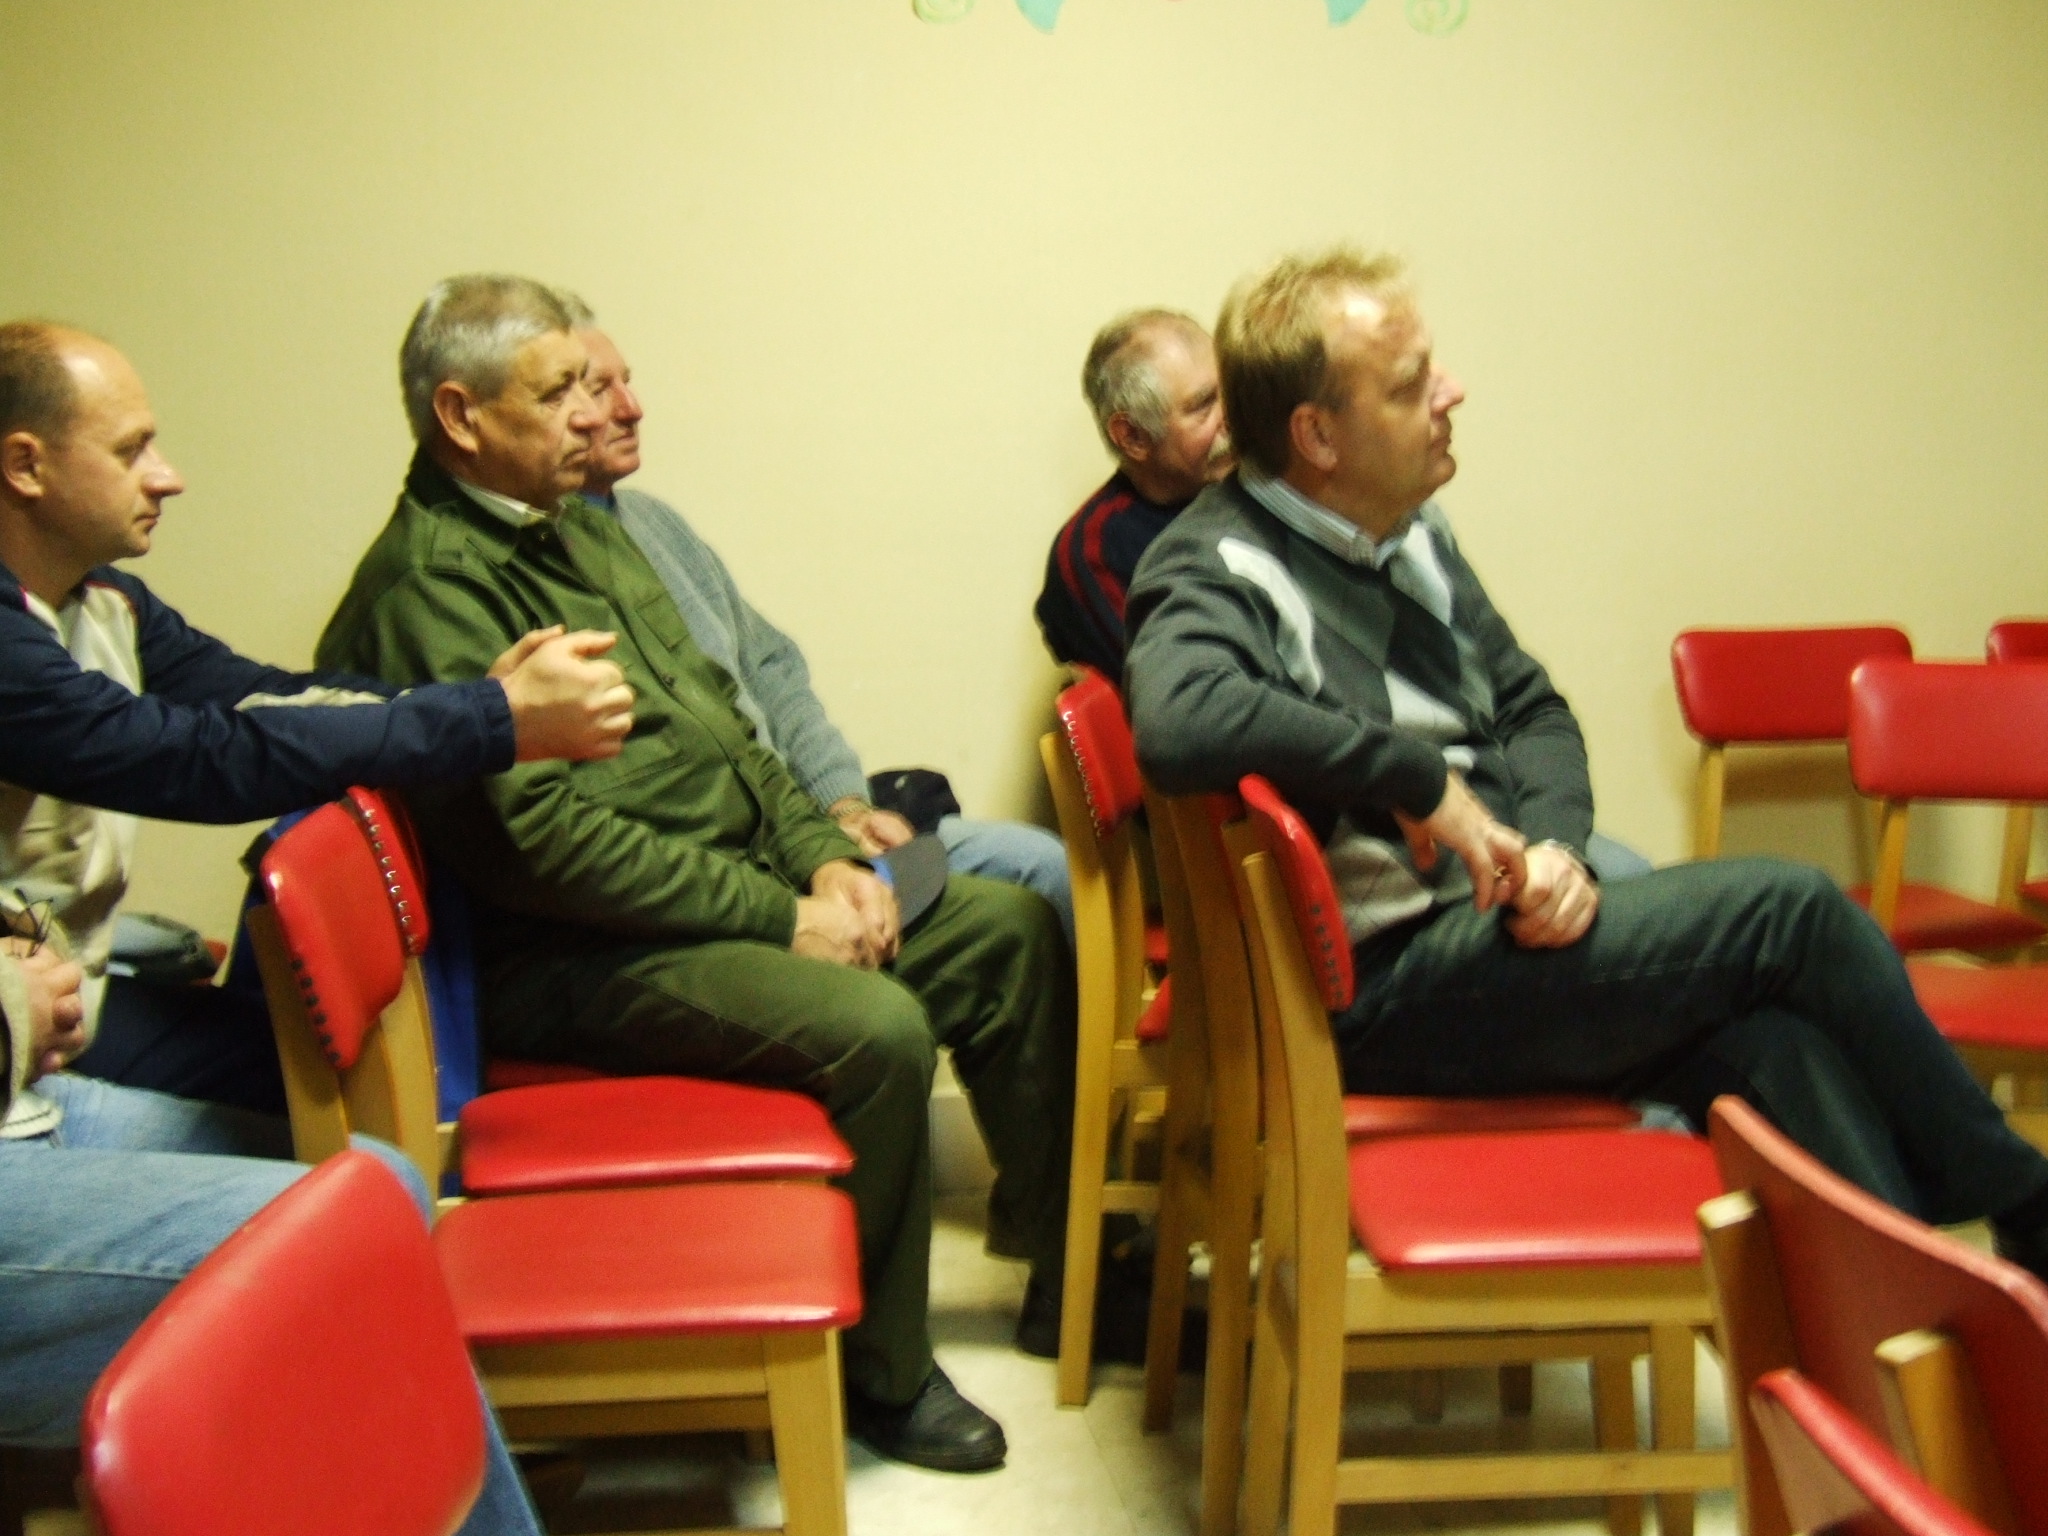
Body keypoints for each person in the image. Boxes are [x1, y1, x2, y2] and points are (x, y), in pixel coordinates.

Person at [1124, 247, 2048, 1274]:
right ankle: (2024, 1204)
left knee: (1773, 1043)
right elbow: (1176, 721)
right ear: (1317, 436)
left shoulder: (1411, 534)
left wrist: (1556, 846)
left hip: (1484, 937)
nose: (1450, 392)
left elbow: (1531, 709)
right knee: (1791, 912)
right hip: (1383, 994)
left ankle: (1928, 1319)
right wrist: (1423, 783)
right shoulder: (1215, 561)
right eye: (1409, 384)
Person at [317, 274, 1081, 1473]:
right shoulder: (431, 588)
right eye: (556, 392)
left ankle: (1068, 1273)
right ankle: (879, 1375)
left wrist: (826, 859)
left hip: (709, 900)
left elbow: (729, 723)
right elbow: (541, 847)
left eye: (589, 386)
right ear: (459, 415)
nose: (592, 412)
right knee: (875, 1030)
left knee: (1001, 930)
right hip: (572, 955)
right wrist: (781, 917)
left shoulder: (579, 526)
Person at [0, 321, 635, 1119]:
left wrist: (476, 703)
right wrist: (493, 718)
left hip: (66, 994)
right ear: (26, 466)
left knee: (329, 1079)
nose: (168, 478)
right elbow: (186, 758)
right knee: (331, 1134)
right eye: (131, 452)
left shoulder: (102, 597)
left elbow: (253, 696)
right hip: (22, 1019)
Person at [560, 301, 1075, 946]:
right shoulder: (550, 570)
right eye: (598, 389)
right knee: (1005, 919)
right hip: (751, 867)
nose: (631, 407)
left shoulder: (654, 523)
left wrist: (845, 804)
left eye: (627, 382)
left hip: (815, 826)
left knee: (1042, 866)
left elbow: (773, 670)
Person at [0, 942, 546, 1534]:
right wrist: (13, 1006)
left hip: (24, 1096)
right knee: (336, 1256)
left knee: (385, 1181)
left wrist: (32, 961)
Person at [1034, 309, 1231, 680]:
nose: (1233, 415)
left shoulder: (1254, 481)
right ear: (1133, 437)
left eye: (1231, 390)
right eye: (1203, 405)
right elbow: (1187, 694)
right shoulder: (1098, 552)